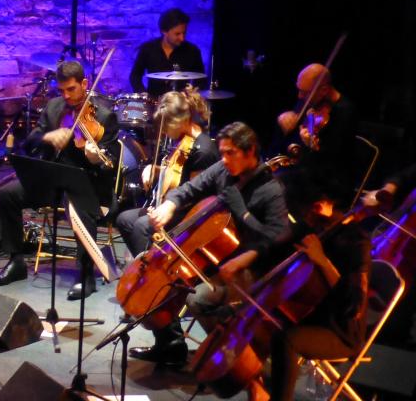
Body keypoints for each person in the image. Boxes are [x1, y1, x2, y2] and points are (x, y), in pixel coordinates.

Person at [130, 121, 292, 368]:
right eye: (223, 152)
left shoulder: (271, 190)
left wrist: (244, 221)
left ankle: (234, 355)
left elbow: (277, 237)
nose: (224, 159)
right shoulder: (223, 170)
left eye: (231, 153)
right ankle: (169, 345)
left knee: (198, 299)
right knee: (155, 272)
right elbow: (190, 189)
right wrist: (169, 204)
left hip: (251, 265)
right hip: (214, 257)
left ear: (250, 152)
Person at [0, 60, 120, 299]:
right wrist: (48, 136)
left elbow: (108, 168)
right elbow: (29, 143)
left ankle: (86, 274)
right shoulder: (53, 107)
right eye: (61, 91)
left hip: (86, 183)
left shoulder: (104, 115)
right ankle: (16, 261)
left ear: (84, 84)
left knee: (80, 209)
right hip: (52, 179)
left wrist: (94, 158)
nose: (67, 96)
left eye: (71, 89)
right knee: (9, 194)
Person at [261, 169, 371, 401]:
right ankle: (256, 387)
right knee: (265, 325)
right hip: (310, 317)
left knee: (286, 340)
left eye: (307, 212)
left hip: (340, 329)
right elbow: (273, 251)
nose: (306, 220)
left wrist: (321, 260)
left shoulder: (356, 240)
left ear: (321, 204)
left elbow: (352, 303)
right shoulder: (314, 228)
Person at [115, 86, 219, 256]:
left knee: (142, 226)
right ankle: (145, 264)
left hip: (190, 213)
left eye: (166, 127)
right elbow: (176, 174)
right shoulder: (184, 139)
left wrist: (164, 208)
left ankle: (151, 274)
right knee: (124, 219)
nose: (163, 132)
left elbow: (196, 198)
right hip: (173, 203)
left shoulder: (203, 151)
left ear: (183, 121)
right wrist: (154, 170)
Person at [275, 63, 359, 182]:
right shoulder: (310, 101)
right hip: (304, 170)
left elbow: (334, 159)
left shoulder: (345, 112)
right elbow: (292, 131)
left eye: (304, 92)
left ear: (324, 90)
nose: (299, 96)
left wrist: (314, 147)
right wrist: (283, 117)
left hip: (329, 181)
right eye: (299, 90)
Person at [129, 8, 206, 94]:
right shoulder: (148, 49)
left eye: (184, 33)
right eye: (177, 34)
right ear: (164, 31)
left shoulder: (192, 51)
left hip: (182, 103)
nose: (182, 38)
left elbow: (201, 79)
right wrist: (143, 93)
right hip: (155, 102)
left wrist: (193, 92)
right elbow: (135, 76)